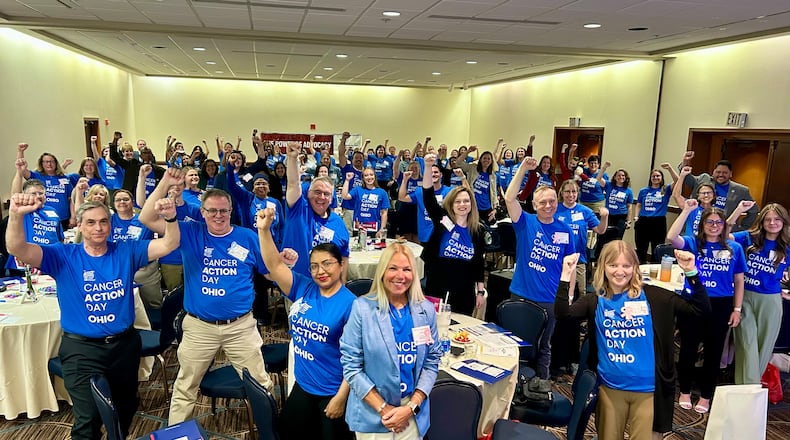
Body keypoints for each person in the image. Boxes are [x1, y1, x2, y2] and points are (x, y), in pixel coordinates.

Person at [6, 191, 179, 440]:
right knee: (88, 419)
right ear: (80, 225)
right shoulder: (62, 255)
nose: (98, 227)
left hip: (123, 346)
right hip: (81, 350)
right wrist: (14, 215)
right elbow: (17, 247)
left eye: (103, 221)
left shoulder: (126, 251)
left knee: (126, 407)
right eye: (91, 222)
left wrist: (171, 219)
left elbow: (169, 244)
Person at [139, 177, 274, 424]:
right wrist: (165, 183)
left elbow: (269, 271)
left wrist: (285, 260)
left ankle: (270, 429)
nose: (218, 215)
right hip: (199, 328)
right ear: (203, 212)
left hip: (240, 327)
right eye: (212, 210)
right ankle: (178, 435)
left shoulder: (248, 237)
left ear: (231, 211)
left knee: (260, 383)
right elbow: (146, 218)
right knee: (185, 387)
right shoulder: (189, 232)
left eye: (224, 210)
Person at [554, 242, 711, 440]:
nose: (620, 271)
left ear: (635, 268)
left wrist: (691, 273)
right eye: (613, 265)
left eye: (626, 266)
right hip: (611, 388)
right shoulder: (595, 301)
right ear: (603, 267)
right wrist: (565, 275)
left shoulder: (656, 297)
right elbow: (562, 314)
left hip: (649, 390)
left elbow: (702, 311)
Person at [257, 208, 355, 439]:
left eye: (327, 264)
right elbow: (274, 265)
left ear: (341, 265)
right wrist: (264, 230)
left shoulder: (351, 305)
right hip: (303, 385)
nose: (320, 271)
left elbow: (359, 359)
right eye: (314, 266)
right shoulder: (303, 288)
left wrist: (340, 398)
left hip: (333, 391)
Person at [340, 244, 441, 438]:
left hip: (411, 411)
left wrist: (411, 407)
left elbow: (431, 361)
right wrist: (384, 409)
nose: (400, 276)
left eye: (407, 269)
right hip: (373, 412)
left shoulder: (425, 310)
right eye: (393, 268)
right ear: (382, 271)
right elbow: (351, 367)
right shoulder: (362, 309)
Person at [667, 199, 746, 414]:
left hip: (721, 304)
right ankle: (683, 390)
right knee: (688, 349)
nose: (714, 226)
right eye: (709, 222)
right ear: (702, 224)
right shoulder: (693, 243)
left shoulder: (735, 248)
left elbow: (739, 281)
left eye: (718, 223)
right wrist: (686, 210)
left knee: (714, 352)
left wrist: (737, 309)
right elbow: (671, 237)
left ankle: (706, 395)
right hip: (693, 301)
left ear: (724, 225)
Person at [504, 157, 576, 379]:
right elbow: (509, 197)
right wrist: (524, 169)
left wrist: (569, 295)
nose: (548, 205)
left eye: (552, 201)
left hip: (550, 298)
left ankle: (541, 387)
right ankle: (512, 386)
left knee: (544, 347)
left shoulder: (565, 230)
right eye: (543, 202)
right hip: (522, 296)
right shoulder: (525, 222)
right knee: (514, 345)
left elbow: (570, 265)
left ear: (557, 202)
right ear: (534, 205)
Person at [729, 201, 790, 385]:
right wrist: (738, 211)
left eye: (777, 219)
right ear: (762, 222)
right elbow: (723, 234)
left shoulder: (787, 245)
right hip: (744, 297)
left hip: (771, 301)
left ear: (784, 222)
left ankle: (744, 391)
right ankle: (751, 392)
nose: (772, 223)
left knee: (763, 350)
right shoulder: (749, 237)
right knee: (746, 346)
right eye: (768, 219)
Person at [420, 154, 486, 316]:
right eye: (458, 201)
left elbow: (478, 262)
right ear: (451, 203)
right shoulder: (442, 219)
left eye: (466, 201)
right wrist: (428, 167)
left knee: (460, 328)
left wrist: (480, 291)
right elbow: (428, 196)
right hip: (437, 284)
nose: (462, 205)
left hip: (464, 288)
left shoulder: (477, 230)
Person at [282, 141, 350, 279]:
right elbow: (293, 184)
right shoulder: (299, 209)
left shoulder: (338, 223)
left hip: (327, 289)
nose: (321, 197)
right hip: (296, 287)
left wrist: (341, 288)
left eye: (326, 194)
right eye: (317, 192)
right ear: (308, 193)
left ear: (331, 199)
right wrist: (292, 158)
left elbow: (344, 258)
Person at [680, 151, 759, 231]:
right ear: (713, 172)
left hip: (723, 230)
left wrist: (742, 228)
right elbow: (686, 178)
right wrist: (685, 161)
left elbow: (754, 210)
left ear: (730, 174)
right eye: (718, 172)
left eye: (725, 173)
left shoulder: (741, 190)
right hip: (698, 227)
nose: (721, 175)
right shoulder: (704, 179)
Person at [109, 189, 162, 309]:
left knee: (153, 305)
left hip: (144, 271)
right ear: (114, 203)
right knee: (121, 305)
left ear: (132, 202)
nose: (122, 202)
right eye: (118, 200)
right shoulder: (109, 221)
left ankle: (154, 327)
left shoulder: (144, 220)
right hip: (118, 270)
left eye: (126, 199)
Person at [4, 178, 63, 276]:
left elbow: (59, 238)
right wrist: (19, 172)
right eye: (33, 193)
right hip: (25, 262)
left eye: (41, 193)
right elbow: (15, 195)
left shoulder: (52, 211)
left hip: (50, 259)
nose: (38, 196)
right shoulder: (22, 210)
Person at [16, 143, 75, 229]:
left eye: (52, 161)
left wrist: (73, 217)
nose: (49, 164)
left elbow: (71, 199)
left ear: (56, 163)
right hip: (44, 219)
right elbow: (22, 169)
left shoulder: (64, 178)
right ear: (42, 164)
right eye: (46, 162)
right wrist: (20, 151)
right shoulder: (37, 176)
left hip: (64, 219)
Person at [633, 164, 678, 263]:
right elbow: (639, 204)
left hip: (658, 222)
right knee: (641, 248)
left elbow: (677, 181)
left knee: (656, 249)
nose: (655, 178)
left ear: (661, 178)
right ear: (650, 178)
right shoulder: (643, 191)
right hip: (643, 221)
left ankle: (654, 271)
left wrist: (670, 168)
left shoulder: (665, 189)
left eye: (658, 176)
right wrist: (636, 217)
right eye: (653, 176)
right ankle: (640, 270)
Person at [341, 168, 390, 237]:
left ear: (375, 176)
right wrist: (347, 180)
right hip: (359, 228)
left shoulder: (382, 192)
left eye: (371, 175)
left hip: (374, 229)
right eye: (366, 175)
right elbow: (344, 196)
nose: (369, 177)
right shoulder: (357, 190)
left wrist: (382, 229)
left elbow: (384, 213)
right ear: (363, 178)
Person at [457, 146, 498, 225]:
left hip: (487, 208)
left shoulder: (492, 175)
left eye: (489, 159)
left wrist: (495, 209)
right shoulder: (473, 168)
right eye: (484, 158)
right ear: (480, 159)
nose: (486, 160)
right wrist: (468, 151)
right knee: (472, 229)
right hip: (473, 206)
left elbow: (494, 192)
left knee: (485, 232)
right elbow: (458, 162)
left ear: (491, 161)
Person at [339, 132, 365, 232]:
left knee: (361, 233)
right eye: (356, 158)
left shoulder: (366, 173)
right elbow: (341, 154)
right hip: (349, 207)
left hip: (363, 208)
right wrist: (343, 140)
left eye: (360, 158)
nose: (358, 160)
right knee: (348, 232)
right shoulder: (348, 168)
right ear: (352, 159)